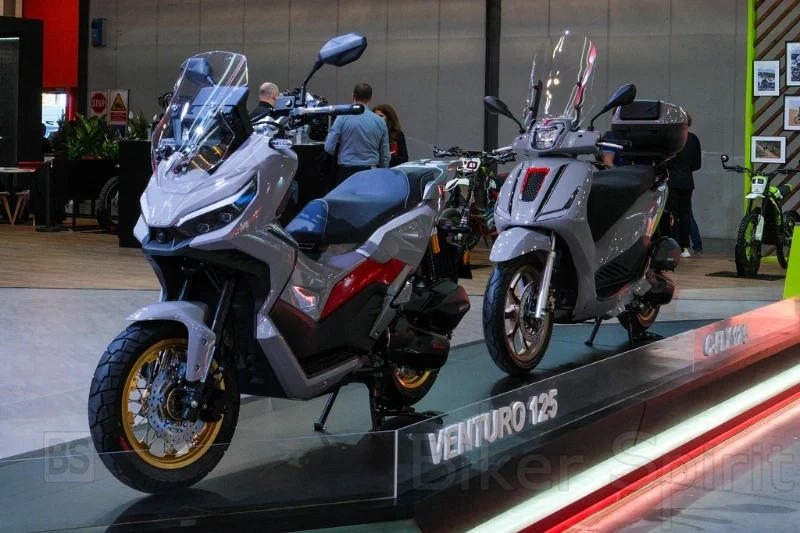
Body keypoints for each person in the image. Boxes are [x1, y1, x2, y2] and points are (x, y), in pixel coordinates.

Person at [324, 83, 390, 186]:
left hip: (346, 171)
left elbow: (329, 147)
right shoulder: (380, 121)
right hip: (371, 171)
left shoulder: (342, 118)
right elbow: (385, 154)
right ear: (370, 98)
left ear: (353, 96)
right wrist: (383, 172)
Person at [667, 113, 702, 258]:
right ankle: (685, 248)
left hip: (672, 181)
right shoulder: (694, 139)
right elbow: (697, 164)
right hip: (687, 182)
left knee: (672, 215)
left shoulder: (672, 139)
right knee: (685, 215)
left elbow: (668, 161)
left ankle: (672, 246)